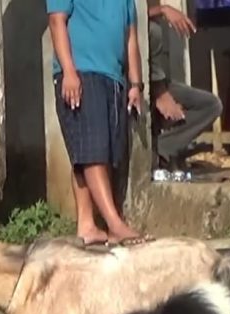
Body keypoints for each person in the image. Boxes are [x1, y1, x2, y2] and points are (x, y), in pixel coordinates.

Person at [47, 0, 153, 247]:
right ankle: (115, 224)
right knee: (92, 151)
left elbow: (130, 38)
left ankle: (86, 225)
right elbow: (56, 21)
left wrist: (136, 84)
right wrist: (69, 72)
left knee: (94, 151)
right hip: (81, 73)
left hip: (113, 77)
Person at [147, 1, 223, 173]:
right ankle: (154, 155)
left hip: (158, 81)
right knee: (153, 29)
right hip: (134, 83)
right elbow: (128, 21)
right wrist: (160, 93)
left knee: (211, 105)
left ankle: (162, 149)